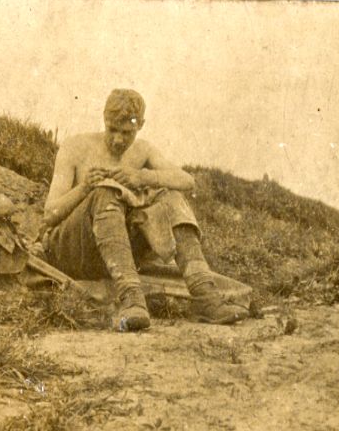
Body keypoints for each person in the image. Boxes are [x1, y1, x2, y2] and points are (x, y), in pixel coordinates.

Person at [42, 88, 248, 332]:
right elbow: (50, 215)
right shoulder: (76, 146)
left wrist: (142, 177)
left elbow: (186, 181)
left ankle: (204, 294)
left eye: (127, 132)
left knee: (170, 195)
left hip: (115, 253)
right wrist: (85, 188)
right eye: (112, 130)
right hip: (73, 249)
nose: (118, 139)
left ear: (140, 125)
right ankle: (131, 298)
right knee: (105, 192)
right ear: (104, 120)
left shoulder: (142, 151)